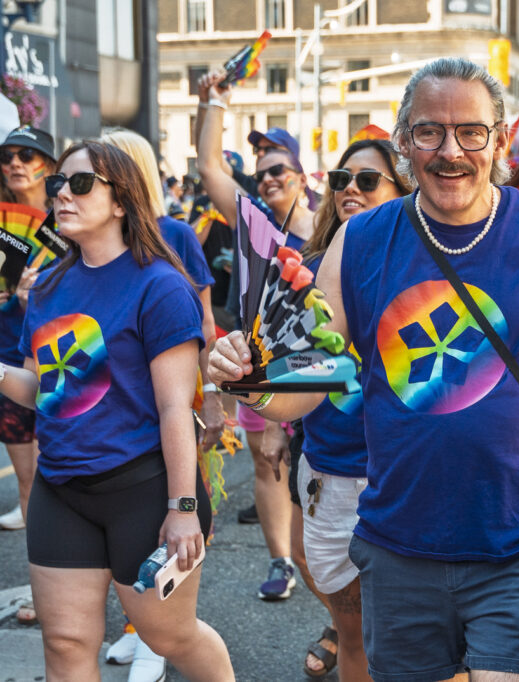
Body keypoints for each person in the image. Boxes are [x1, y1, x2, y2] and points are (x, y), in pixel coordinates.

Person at [209, 56, 519, 680]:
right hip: (399, 545)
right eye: (429, 132)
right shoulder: (361, 240)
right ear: (404, 143)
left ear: (498, 139)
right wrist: (250, 382)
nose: (450, 150)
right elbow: (315, 375)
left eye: (470, 132)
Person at [0, 140, 233, 680]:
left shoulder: (160, 285)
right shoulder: (49, 286)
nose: (62, 194)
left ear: (122, 200)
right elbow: (47, 389)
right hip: (61, 490)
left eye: (80, 184)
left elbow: (177, 407)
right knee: (64, 643)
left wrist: (182, 508)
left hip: (143, 491)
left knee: (169, 635)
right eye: (58, 183)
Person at [273, 139, 409, 679]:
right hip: (329, 470)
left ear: (405, 191)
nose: (350, 187)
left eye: (369, 179)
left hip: (401, 477)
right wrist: (272, 413)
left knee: (427, 645)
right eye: (340, 178)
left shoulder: (427, 274)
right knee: (353, 634)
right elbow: (292, 367)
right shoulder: (305, 269)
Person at [97, 127, 221, 681]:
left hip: (173, 393)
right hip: (107, 410)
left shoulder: (174, 234)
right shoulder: (84, 248)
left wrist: (212, 401)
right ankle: (137, 630)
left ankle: (156, 642)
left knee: (168, 526)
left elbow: (207, 323)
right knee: (122, 552)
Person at [197, 68, 315, 602]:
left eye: (279, 170)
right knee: (267, 467)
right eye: (262, 172)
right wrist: (214, 102)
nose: (268, 179)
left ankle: (330, 583)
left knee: (315, 477)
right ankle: (282, 563)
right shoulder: (252, 224)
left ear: (303, 175)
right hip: (259, 367)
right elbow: (209, 167)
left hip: (320, 371)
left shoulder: (330, 225)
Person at [0, 126, 56, 630]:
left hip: (54, 367)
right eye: (8, 156)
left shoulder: (71, 223)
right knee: (26, 481)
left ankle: (53, 592)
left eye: (29, 155)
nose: (16, 164)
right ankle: (47, 589)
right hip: (3, 364)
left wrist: (35, 298)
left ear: (50, 166)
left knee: (47, 482)